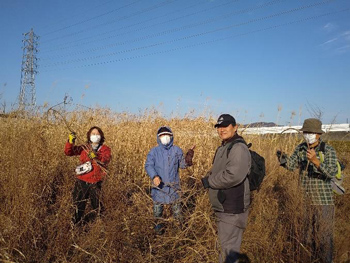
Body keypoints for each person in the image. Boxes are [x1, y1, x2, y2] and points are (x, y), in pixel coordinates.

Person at [276, 118, 338, 263]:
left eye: (310, 132)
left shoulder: (328, 150)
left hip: (324, 202)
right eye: (305, 132)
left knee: (324, 238)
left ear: (318, 134)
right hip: (305, 201)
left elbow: (332, 173)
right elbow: (291, 166)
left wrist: (316, 162)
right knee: (307, 236)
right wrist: (282, 157)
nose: (307, 135)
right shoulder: (300, 148)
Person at [202, 114, 251, 263]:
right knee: (224, 248)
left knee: (228, 252)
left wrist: (209, 181)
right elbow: (219, 170)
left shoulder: (238, 148)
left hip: (232, 208)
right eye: (219, 127)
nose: (222, 130)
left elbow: (233, 176)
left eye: (226, 126)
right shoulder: (224, 147)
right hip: (224, 207)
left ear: (235, 127)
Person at [145, 126, 194, 234]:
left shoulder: (176, 150)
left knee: (177, 213)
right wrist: (154, 176)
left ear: (171, 136)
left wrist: (188, 158)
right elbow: (148, 165)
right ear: (158, 137)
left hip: (174, 188)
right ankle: (158, 234)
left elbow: (182, 165)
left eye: (167, 135)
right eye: (162, 135)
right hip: (159, 188)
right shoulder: (154, 151)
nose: (165, 137)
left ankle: (179, 233)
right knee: (158, 213)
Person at [64, 126, 111, 225]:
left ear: (101, 136)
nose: (95, 136)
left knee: (97, 204)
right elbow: (69, 152)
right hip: (82, 180)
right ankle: (76, 225)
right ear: (89, 136)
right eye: (93, 134)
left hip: (96, 181)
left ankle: (101, 224)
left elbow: (106, 159)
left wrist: (96, 156)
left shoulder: (105, 149)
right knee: (79, 204)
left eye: (97, 134)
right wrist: (70, 141)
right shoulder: (84, 148)